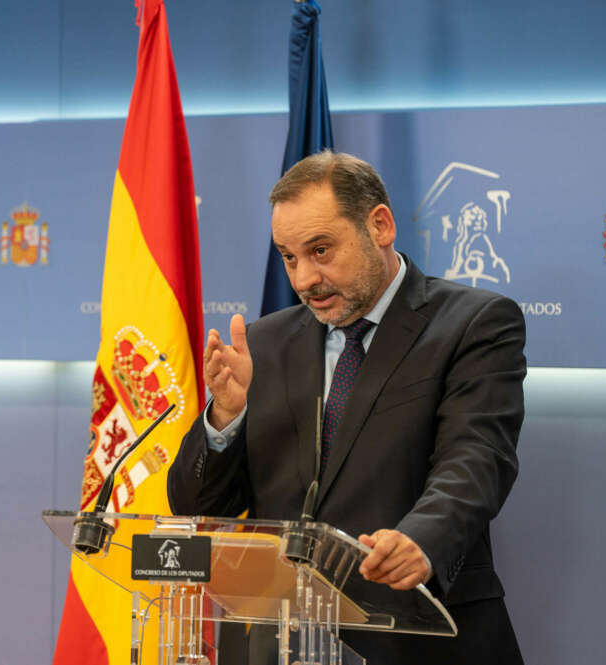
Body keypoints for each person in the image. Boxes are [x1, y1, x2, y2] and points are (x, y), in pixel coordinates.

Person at [167, 151, 525, 665]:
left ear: (379, 225)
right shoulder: (265, 344)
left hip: (423, 635)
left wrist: (421, 539)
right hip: (284, 642)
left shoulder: (474, 324)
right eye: (289, 257)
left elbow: (477, 459)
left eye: (320, 250)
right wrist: (226, 418)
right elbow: (197, 508)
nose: (304, 278)